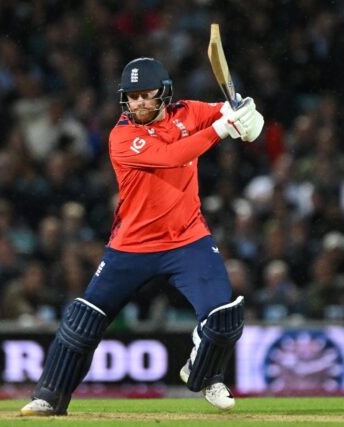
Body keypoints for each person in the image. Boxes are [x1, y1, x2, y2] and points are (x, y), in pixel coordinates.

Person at [21, 57, 264, 416]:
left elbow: (225, 111)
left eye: (146, 96)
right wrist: (221, 130)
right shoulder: (122, 136)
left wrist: (247, 115)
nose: (138, 104)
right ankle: (50, 396)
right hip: (131, 246)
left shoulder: (188, 112)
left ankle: (207, 374)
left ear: (164, 94)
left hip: (188, 238)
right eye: (132, 97)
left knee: (222, 316)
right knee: (83, 322)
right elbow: (171, 156)